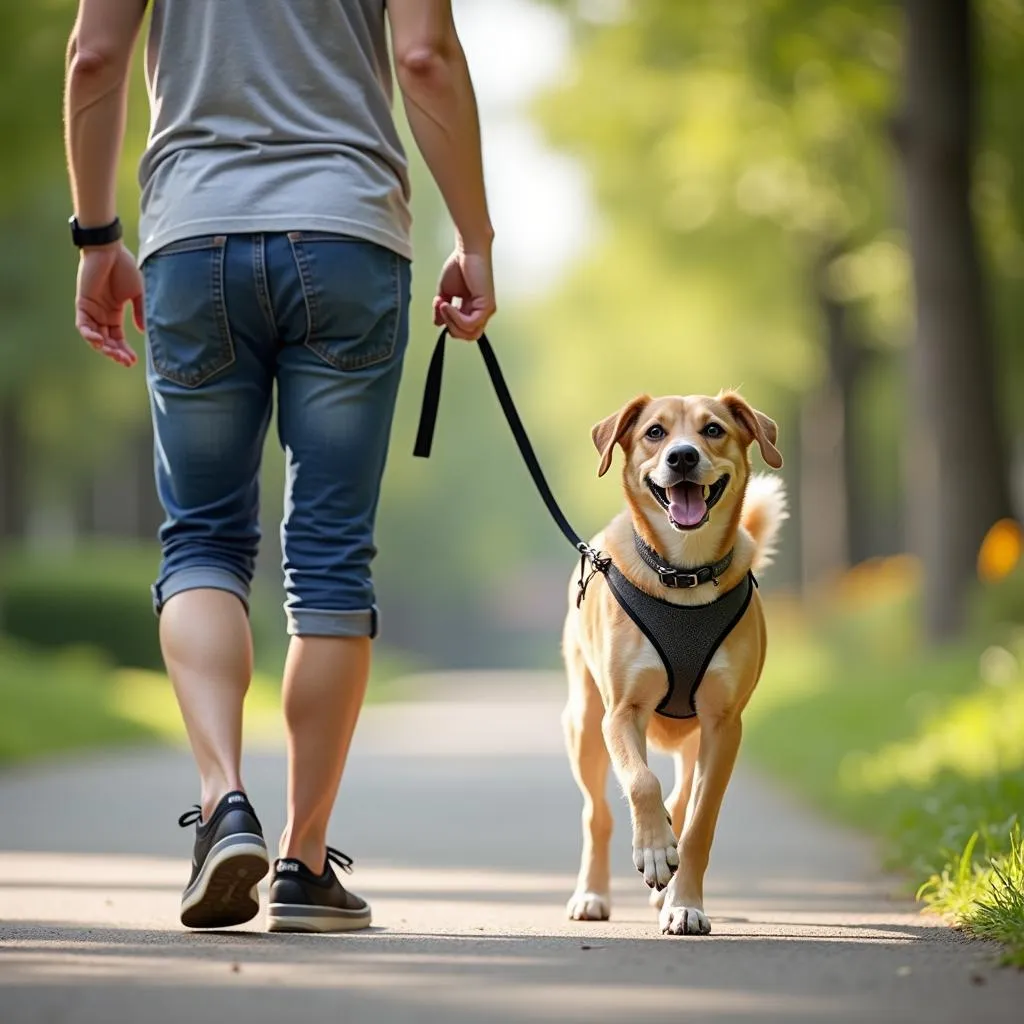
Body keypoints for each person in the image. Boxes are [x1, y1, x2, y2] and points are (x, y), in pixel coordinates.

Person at [63, 0, 496, 933]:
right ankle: (303, 863)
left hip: (192, 236)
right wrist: (476, 237)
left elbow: (94, 58)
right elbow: (424, 57)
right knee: (332, 555)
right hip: (348, 236)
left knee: (203, 541)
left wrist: (97, 238)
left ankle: (224, 804)